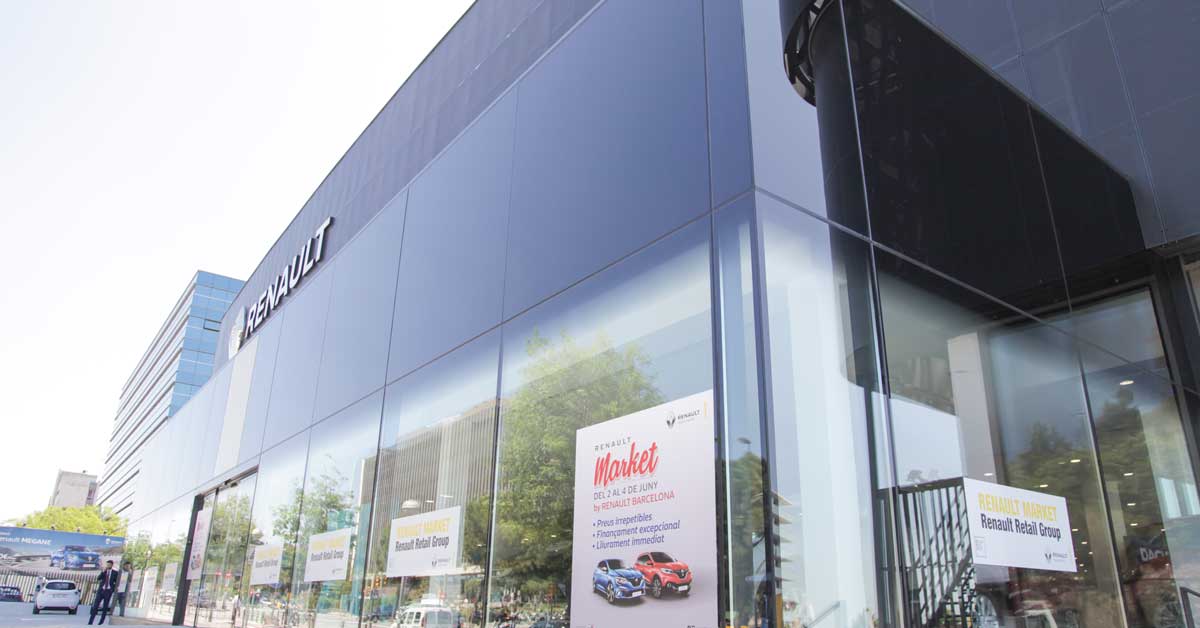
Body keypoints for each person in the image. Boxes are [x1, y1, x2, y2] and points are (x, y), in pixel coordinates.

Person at [89, 560, 119, 625]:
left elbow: (116, 582)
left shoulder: (115, 573)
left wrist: (112, 589)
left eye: (109, 565)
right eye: (107, 564)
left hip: (108, 591)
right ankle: (90, 622)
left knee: (105, 607)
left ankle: (101, 622)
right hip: (101, 590)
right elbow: (98, 578)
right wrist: (103, 572)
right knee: (95, 606)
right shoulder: (104, 571)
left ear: (112, 565)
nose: (108, 566)